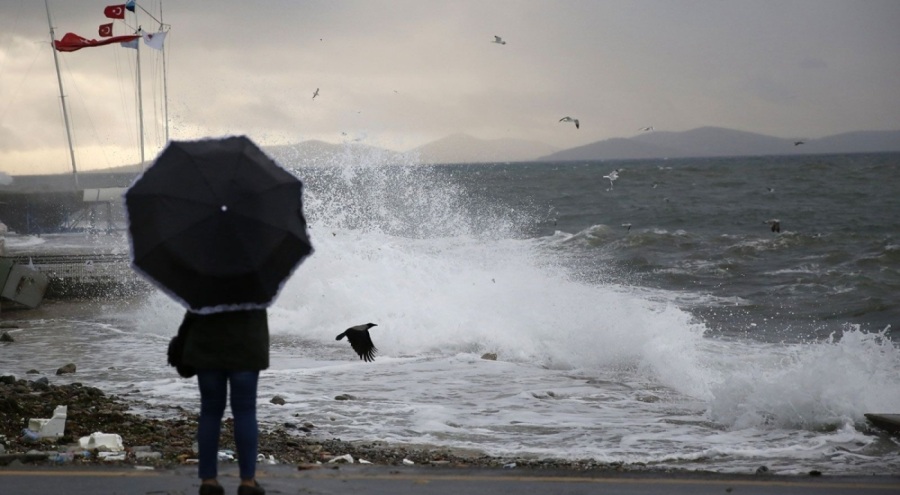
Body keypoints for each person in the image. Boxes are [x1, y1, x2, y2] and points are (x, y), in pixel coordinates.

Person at [179, 309, 269, 495]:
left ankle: (208, 481)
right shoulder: (254, 289)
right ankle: (248, 482)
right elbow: (266, 298)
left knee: (210, 411)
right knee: (245, 411)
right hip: (247, 340)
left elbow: (193, 304)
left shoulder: (204, 287)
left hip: (208, 340)